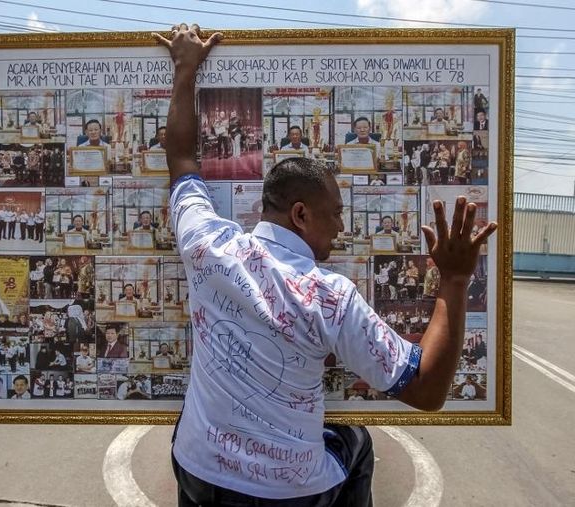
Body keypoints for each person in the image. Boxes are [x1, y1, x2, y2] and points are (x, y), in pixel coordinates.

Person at [155, 23, 496, 505]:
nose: (340, 228)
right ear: (301, 214)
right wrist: (456, 281)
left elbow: (182, 159)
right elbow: (426, 389)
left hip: (198, 469)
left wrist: (185, 68)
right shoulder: (329, 296)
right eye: (335, 215)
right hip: (288, 492)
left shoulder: (207, 243)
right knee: (356, 441)